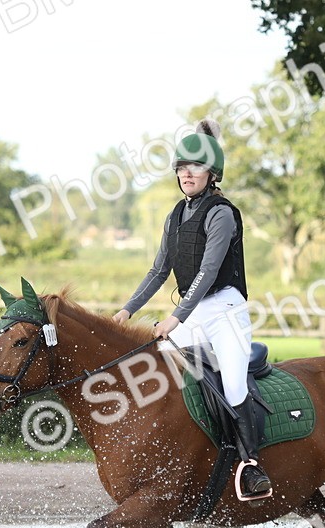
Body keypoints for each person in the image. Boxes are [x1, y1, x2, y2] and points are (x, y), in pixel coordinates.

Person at [112, 119, 272, 501]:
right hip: (191, 312)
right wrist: (126, 311)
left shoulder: (222, 213)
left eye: (195, 168)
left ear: (211, 173)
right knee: (154, 373)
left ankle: (251, 467)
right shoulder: (175, 215)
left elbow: (209, 270)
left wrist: (175, 318)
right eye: (181, 168)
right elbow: (158, 271)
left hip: (225, 312)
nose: (186, 174)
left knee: (232, 384)